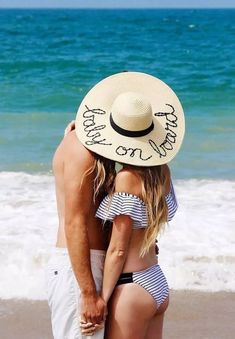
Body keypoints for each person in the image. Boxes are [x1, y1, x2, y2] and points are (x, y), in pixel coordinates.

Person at [74, 71, 185, 338]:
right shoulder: (162, 171)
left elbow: (118, 251)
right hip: (156, 280)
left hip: (131, 286)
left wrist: (100, 297)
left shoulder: (126, 179)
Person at [46, 117, 115, 338]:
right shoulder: (81, 148)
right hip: (80, 269)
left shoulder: (95, 147)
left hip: (87, 266)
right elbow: (74, 222)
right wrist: (87, 293)